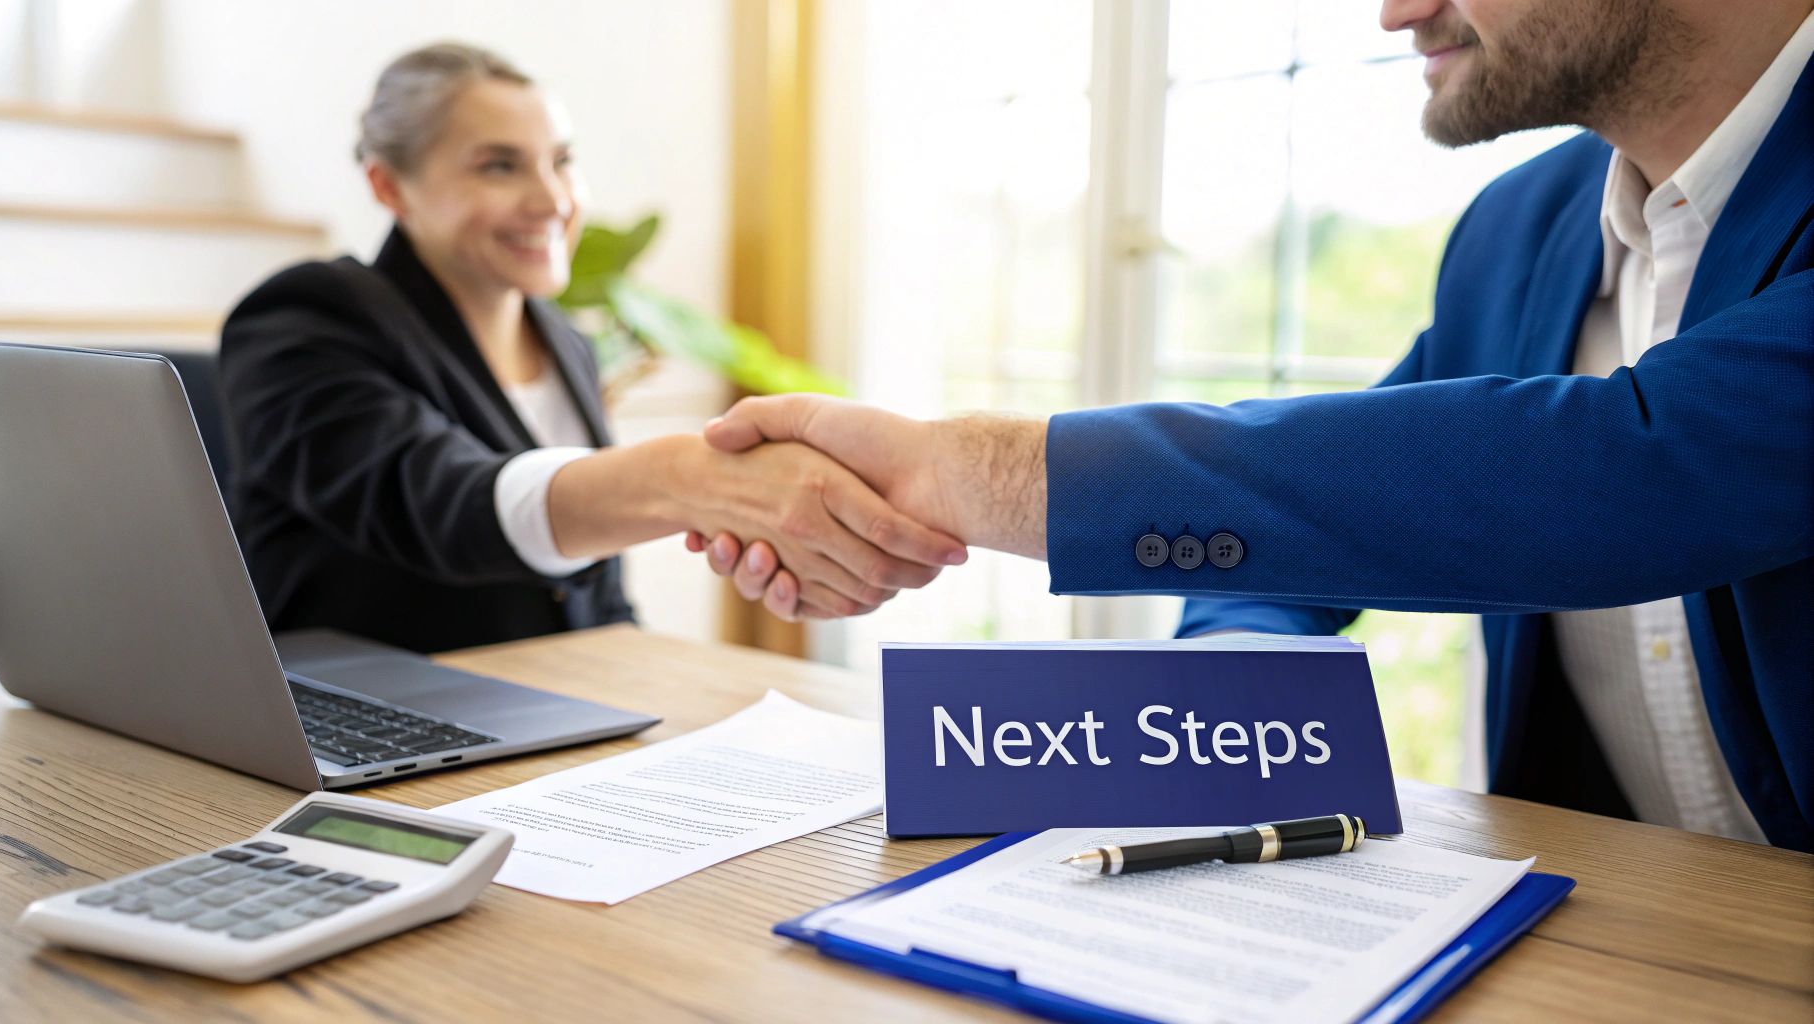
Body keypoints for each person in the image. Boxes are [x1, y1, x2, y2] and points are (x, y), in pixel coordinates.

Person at [688, 0, 1814, 852]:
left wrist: (975, 473)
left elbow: (1640, 461)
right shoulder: (1513, 233)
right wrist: (1236, 677)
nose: (1391, 10)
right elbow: (1342, 491)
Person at [220, 43, 966, 654]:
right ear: (390, 187)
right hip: (381, 734)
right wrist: (681, 480)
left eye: (562, 161)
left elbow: (594, 598)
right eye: (500, 165)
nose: (553, 200)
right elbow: (447, 503)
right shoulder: (308, 318)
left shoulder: (567, 345)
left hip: (562, 711)